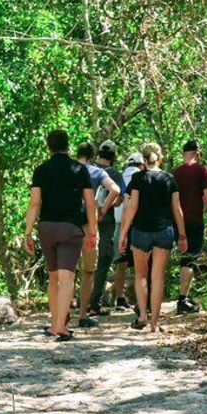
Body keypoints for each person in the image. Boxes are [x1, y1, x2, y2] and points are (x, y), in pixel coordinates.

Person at [24, 130, 98, 342]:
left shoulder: (41, 170)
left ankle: (54, 322)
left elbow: (35, 203)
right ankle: (60, 327)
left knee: (53, 277)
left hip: (46, 227)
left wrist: (28, 232)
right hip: (70, 229)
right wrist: (92, 230)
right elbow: (90, 203)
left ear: (49, 147)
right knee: (67, 277)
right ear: (68, 147)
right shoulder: (79, 169)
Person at [119, 143, 187, 333]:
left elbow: (132, 207)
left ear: (144, 159)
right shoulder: (169, 178)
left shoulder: (138, 178)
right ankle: (154, 324)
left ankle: (142, 316)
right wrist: (182, 235)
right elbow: (177, 209)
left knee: (141, 274)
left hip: (141, 231)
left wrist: (123, 234)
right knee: (157, 277)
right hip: (164, 230)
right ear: (160, 158)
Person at [75, 142, 120, 327]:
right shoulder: (96, 172)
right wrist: (102, 209)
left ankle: (63, 313)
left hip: (67, 223)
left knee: (67, 270)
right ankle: (83, 315)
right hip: (89, 224)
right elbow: (115, 190)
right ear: (93, 156)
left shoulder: (71, 169)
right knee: (88, 271)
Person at [172, 139, 207, 314]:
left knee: (183, 257)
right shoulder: (202, 171)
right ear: (197, 153)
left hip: (176, 221)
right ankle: (182, 299)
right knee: (189, 259)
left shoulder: (175, 173)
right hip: (193, 220)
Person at [88, 140, 125, 317]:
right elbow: (119, 199)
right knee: (103, 259)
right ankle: (94, 303)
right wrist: (104, 208)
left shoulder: (88, 169)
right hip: (106, 221)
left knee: (84, 258)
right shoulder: (114, 175)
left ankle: (80, 301)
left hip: (85, 220)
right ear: (114, 156)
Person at [112, 152, 145, 310]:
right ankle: (142, 300)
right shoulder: (142, 176)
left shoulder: (119, 176)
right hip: (137, 223)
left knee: (121, 261)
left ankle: (119, 298)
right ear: (141, 164)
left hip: (119, 223)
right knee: (141, 261)